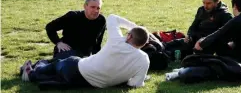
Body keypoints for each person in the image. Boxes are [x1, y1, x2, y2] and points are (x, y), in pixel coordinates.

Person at [22, 14, 151, 89]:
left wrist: (133, 26)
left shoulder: (116, 41)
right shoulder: (144, 59)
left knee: (60, 63)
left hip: (77, 68)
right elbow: (136, 84)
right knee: (64, 72)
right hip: (92, 85)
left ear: (129, 36)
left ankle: (34, 72)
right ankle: (46, 79)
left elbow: (112, 17)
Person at [164, 0, 232, 59]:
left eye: (209, 3)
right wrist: (190, 35)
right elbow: (194, 26)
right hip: (195, 39)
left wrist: (204, 41)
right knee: (171, 44)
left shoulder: (225, 15)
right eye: (204, 3)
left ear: (216, 1)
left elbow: (225, 36)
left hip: (209, 45)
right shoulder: (201, 10)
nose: (205, 6)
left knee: (194, 56)